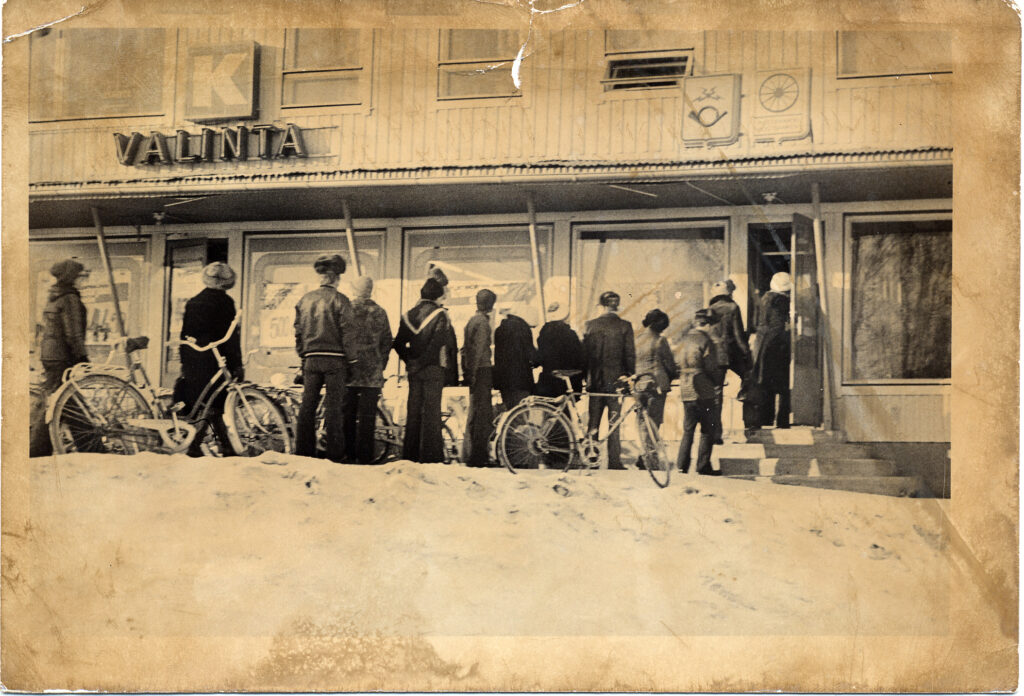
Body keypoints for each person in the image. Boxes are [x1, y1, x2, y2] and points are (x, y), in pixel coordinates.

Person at [294, 254, 356, 463]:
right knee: (334, 409)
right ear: (337, 278)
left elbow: (298, 331)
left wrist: (303, 354)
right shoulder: (341, 300)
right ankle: (335, 454)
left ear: (320, 277)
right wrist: (353, 361)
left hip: (311, 359)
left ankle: (303, 452)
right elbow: (348, 333)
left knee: (307, 406)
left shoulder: (305, 300)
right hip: (335, 361)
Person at [178, 262, 243, 457]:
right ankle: (197, 446)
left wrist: (184, 362)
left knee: (206, 403)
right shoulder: (225, 302)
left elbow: (185, 335)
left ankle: (222, 445)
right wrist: (236, 364)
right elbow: (230, 337)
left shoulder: (194, 301)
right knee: (214, 403)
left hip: (195, 358)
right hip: (216, 358)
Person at [393, 275, 458, 463]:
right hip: (433, 370)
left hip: (414, 372)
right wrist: (422, 363)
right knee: (431, 413)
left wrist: (410, 361)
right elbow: (437, 344)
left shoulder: (408, 315)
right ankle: (431, 457)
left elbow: (397, 344)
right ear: (437, 296)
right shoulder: (441, 315)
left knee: (413, 412)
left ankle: (410, 456)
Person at [583, 291, 635, 470]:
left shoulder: (590, 325)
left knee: (593, 422)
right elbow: (629, 355)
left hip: (595, 382)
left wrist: (585, 377)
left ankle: (591, 458)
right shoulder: (625, 326)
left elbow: (585, 356)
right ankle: (614, 461)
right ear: (617, 306)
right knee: (615, 423)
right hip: (616, 383)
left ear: (601, 306)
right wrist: (630, 375)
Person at [342, 276, 392, 464]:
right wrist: (380, 365)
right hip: (372, 375)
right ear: (371, 290)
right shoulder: (380, 312)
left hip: (349, 373)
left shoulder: (346, 310)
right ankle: (365, 457)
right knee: (368, 418)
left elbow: (341, 339)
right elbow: (387, 342)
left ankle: (348, 455)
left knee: (347, 416)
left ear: (354, 289)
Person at [676, 308, 722, 476]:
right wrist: (717, 382)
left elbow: (676, 362)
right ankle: (703, 466)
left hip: (686, 387)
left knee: (688, 429)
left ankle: (681, 465)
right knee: (707, 428)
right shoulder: (707, 341)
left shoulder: (683, 339)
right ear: (708, 325)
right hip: (703, 389)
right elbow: (711, 366)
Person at [708, 279, 753, 443]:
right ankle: (749, 420)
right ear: (729, 293)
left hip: (713, 356)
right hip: (730, 353)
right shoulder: (733, 307)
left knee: (716, 394)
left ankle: (715, 433)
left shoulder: (710, 309)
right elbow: (738, 334)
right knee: (749, 377)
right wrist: (747, 353)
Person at [751, 271, 792, 429]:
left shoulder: (765, 298)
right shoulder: (781, 301)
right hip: (776, 345)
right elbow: (778, 325)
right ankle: (782, 420)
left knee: (765, 382)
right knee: (782, 384)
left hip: (763, 344)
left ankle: (765, 418)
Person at [461, 289, 497, 467]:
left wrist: (467, 372)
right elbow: (479, 349)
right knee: (483, 414)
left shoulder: (472, 321)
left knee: (475, 413)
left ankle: (471, 454)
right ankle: (479, 456)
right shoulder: (483, 323)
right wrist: (474, 373)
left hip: (474, 371)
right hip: (482, 370)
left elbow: (466, 349)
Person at [635, 308, 680, 431]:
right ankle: (651, 444)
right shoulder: (660, 340)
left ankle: (644, 442)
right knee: (654, 421)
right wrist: (674, 375)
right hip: (657, 384)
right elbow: (670, 365)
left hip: (639, 385)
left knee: (641, 419)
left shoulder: (637, 340)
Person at [535, 293, 585, 398]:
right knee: (568, 405)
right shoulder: (570, 334)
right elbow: (579, 357)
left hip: (548, 379)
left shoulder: (543, 333)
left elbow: (541, 357)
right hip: (568, 380)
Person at [493, 303, 538, 411]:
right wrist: (538, 360)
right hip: (520, 379)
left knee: (511, 412)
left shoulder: (499, 329)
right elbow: (531, 354)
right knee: (522, 411)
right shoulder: (523, 329)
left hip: (503, 380)